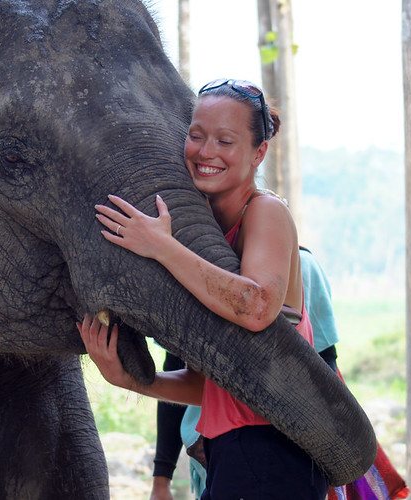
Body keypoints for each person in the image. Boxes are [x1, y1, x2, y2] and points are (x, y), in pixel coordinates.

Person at [78, 78, 328, 499]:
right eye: (196, 136)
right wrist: (133, 379)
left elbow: (257, 305)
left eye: (225, 141)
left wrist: (161, 246)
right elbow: (211, 385)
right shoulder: (210, 232)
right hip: (231, 450)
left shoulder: (265, 211)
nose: (205, 152)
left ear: (259, 152)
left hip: (274, 450)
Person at [150, 246, 341, 500]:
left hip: (275, 454)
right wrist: (161, 478)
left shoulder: (302, 266)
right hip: (213, 452)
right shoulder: (196, 264)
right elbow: (175, 365)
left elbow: (325, 373)